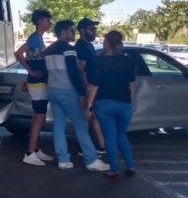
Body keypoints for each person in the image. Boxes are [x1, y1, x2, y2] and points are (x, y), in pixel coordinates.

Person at [44, 19, 110, 171]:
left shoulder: (48, 50)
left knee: (59, 124)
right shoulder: (69, 49)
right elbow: (73, 74)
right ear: (63, 32)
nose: (73, 33)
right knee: (81, 124)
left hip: (53, 90)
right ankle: (91, 160)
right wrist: (81, 93)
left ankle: (63, 159)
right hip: (68, 91)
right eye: (71, 31)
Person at [85, 30, 137, 179]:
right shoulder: (128, 60)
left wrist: (89, 105)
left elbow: (94, 85)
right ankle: (130, 166)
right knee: (122, 135)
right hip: (124, 104)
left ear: (107, 43)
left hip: (104, 104)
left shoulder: (100, 61)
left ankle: (114, 169)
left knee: (109, 137)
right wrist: (129, 100)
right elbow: (132, 84)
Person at [14, 9, 55, 166]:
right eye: (46, 20)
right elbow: (19, 53)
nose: (49, 22)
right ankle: (30, 152)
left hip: (38, 80)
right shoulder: (35, 38)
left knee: (38, 115)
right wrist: (31, 70)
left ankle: (36, 149)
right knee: (40, 115)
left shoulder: (38, 38)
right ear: (39, 21)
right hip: (37, 81)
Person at [75, 18, 106, 154]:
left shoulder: (89, 45)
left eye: (95, 29)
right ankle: (88, 147)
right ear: (82, 30)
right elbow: (80, 68)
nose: (94, 32)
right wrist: (86, 88)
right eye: (91, 29)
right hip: (87, 88)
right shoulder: (81, 46)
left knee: (92, 116)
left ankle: (99, 146)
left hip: (93, 86)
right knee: (87, 117)